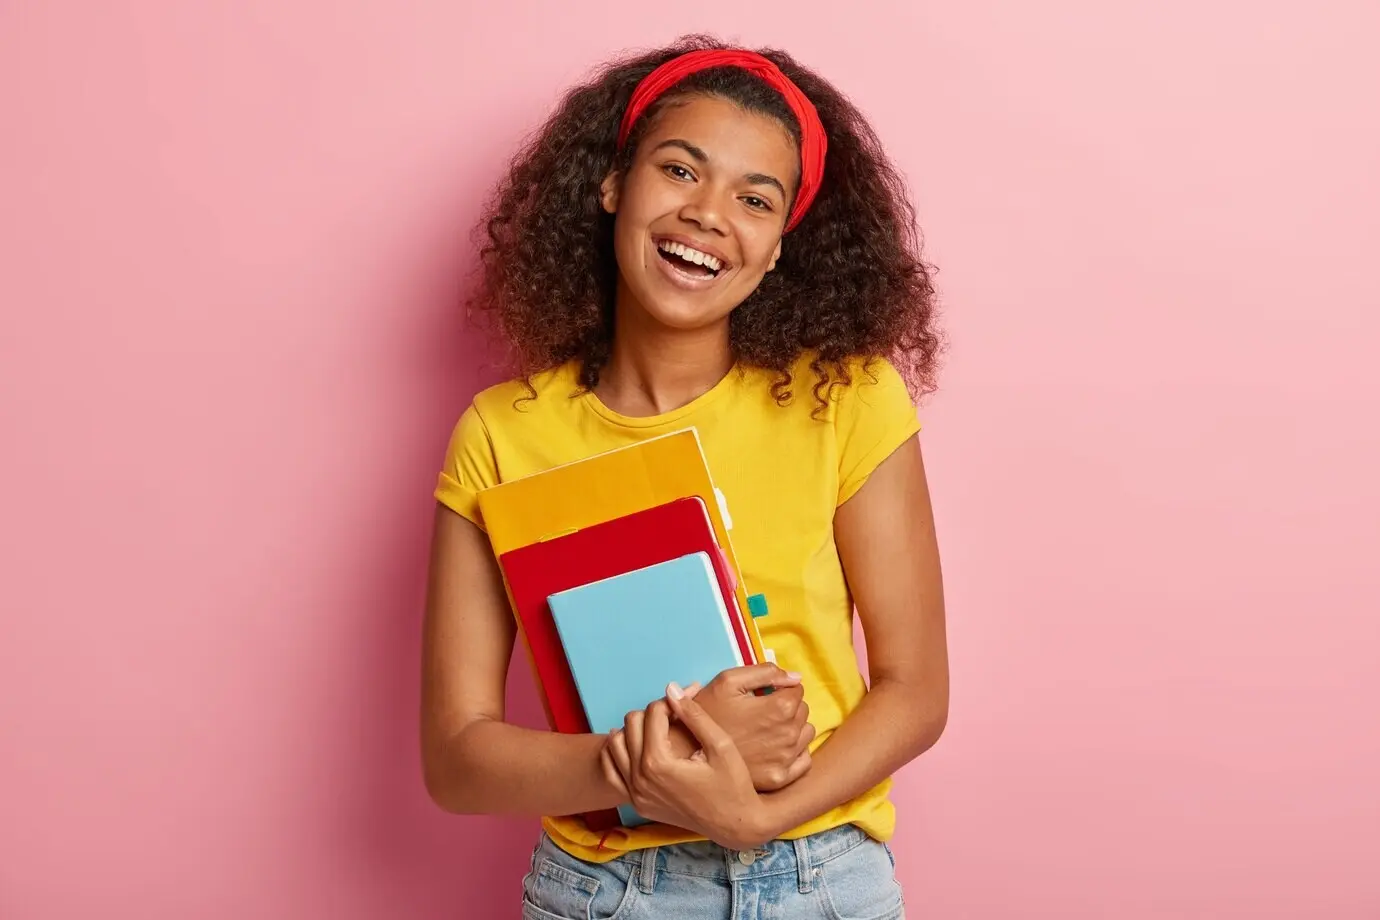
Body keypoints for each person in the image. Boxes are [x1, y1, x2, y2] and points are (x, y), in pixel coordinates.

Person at [421, 34, 948, 920]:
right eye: (679, 170)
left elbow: (915, 691)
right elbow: (456, 757)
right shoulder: (502, 435)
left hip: (821, 882)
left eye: (755, 198)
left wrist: (757, 814)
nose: (709, 213)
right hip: (605, 892)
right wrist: (658, 757)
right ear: (612, 185)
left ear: (779, 245)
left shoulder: (846, 400)